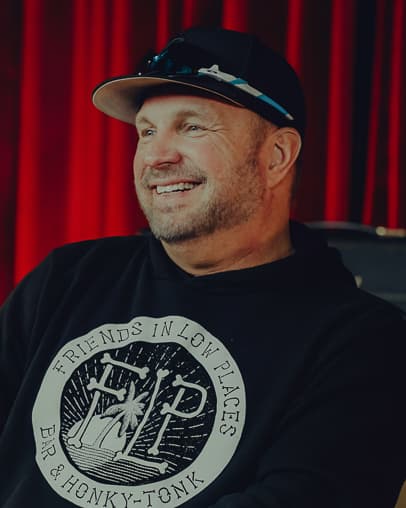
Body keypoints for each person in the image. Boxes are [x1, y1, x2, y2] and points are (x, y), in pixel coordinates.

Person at [0, 27, 405, 508]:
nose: (156, 156)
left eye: (192, 127)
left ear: (277, 155)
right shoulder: (67, 279)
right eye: (147, 131)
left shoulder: (363, 342)